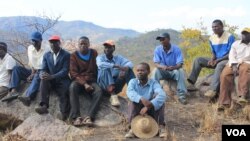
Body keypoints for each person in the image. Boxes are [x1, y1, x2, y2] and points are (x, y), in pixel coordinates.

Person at [187, 19, 235, 98]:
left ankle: (213, 90)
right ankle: (191, 83)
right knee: (198, 60)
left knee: (219, 65)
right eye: (213, 27)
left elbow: (231, 53)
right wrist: (212, 59)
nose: (214, 28)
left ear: (222, 27)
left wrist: (217, 60)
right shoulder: (211, 38)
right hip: (217, 59)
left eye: (216, 26)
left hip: (227, 59)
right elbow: (213, 52)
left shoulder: (230, 36)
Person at [2, 32, 49, 104]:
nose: (34, 43)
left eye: (36, 41)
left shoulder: (47, 50)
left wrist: (34, 74)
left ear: (41, 40)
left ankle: (28, 97)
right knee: (16, 69)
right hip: (33, 71)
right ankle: (13, 91)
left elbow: (45, 66)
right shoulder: (30, 48)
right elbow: (32, 63)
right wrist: (32, 73)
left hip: (42, 72)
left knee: (38, 74)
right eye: (32, 41)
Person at [125, 62, 167, 138]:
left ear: (148, 72)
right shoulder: (133, 82)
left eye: (142, 70)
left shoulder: (154, 83)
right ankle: (132, 128)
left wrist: (148, 106)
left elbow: (162, 95)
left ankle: (160, 126)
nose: (139, 72)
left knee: (160, 101)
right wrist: (141, 99)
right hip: (138, 111)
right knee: (132, 101)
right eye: (138, 70)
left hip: (151, 110)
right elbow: (130, 92)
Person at [35, 35, 70, 121]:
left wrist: (52, 76)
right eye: (51, 42)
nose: (53, 44)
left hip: (62, 80)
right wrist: (42, 74)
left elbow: (65, 70)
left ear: (59, 43)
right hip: (50, 80)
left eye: (55, 42)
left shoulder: (66, 55)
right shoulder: (47, 55)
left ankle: (64, 114)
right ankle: (44, 106)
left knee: (64, 93)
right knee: (43, 80)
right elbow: (43, 68)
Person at [69, 36, 102, 126]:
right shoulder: (74, 56)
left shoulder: (94, 53)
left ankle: (89, 117)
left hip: (92, 80)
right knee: (72, 87)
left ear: (89, 44)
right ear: (78, 45)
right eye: (81, 44)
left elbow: (97, 68)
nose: (83, 45)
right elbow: (73, 73)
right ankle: (76, 117)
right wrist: (84, 84)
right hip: (79, 81)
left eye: (85, 43)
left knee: (98, 91)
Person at [218, 28, 250, 111]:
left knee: (244, 70)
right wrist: (234, 64)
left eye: (246, 34)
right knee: (224, 75)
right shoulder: (236, 44)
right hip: (234, 62)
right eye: (243, 33)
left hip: (246, 62)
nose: (244, 35)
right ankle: (223, 103)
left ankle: (242, 96)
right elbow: (231, 55)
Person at [96, 40, 135, 106]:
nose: (107, 49)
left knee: (129, 70)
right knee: (105, 68)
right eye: (106, 47)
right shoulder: (100, 57)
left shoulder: (118, 58)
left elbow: (130, 63)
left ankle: (134, 93)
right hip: (104, 86)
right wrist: (114, 65)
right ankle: (113, 96)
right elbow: (100, 64)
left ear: (113, 48)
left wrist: (125, 68)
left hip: (116, 85)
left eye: (109, 47)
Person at [152, 32, 187, 104]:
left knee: (181, 70)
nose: (161, 41)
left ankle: (181, 96)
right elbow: (156, 63)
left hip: (174, 71)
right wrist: (162, 66)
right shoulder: (158, 49)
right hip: (163, 71)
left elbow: (180, 64)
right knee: (155, 71)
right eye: (160, 40)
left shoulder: (176, 49)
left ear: (169, 39)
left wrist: (174, 67)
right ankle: (156, 93)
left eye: (163, 39)